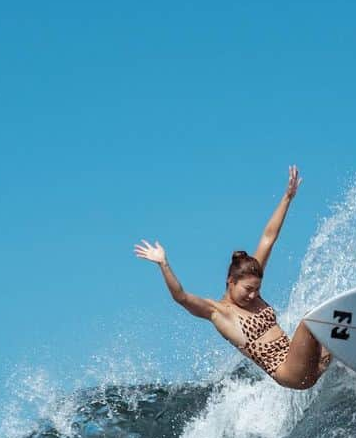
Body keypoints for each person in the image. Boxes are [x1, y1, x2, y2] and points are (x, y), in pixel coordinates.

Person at [134, 165, 331, 390]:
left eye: (257, 289)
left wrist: (287, 197)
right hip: (289, 373)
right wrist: (163, 264)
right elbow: (181, 297)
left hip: (310, 366)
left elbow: (268, 237)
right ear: (231, 281)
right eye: (248, 289)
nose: (254, 294)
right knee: (311, 319)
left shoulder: (251, 283)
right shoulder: (219, 313)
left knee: (334, 317)